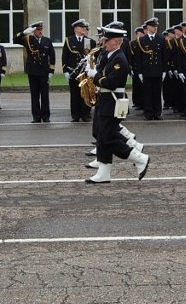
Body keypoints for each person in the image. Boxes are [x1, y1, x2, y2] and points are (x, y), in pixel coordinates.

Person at [84, 25, 150, 184]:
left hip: (113, 101)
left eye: (106, 40)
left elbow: (112, 83)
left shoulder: (119, 58)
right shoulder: (110, 55)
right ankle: (104, 172)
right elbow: (102, 70)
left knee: (108, 137)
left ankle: (140, 158)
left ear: (115, 41)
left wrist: (95, 75)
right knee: (102, 137)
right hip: (105, 100)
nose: (103, 42)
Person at [17, 20, 56, 122]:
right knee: (34, 95)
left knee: (44, 95)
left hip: (44, 71)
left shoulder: (47, 41)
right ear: (33, 31)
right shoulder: (28, 39)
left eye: (41, 29)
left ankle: (46, 116)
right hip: (33, 71)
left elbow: (52, 56)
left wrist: (51, 71)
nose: (40, 31)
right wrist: (24, 32)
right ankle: (36, 116)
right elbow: (15, 39)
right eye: (37, 30)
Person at [63, 18, 95, 122]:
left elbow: (93, 57)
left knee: (85, 93)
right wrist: (65, 71)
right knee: (75, 94)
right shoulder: (69, 40)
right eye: (82, 27)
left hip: (85, 72)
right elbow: (65, 56)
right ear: (76, 29)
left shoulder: (89, 41)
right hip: (74, 72)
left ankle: (85, 114)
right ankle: (75, 115)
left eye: (84, 27)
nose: (84, 29)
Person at [136, 17, 166, 120]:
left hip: (157, 70)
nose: (155, 28)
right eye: (153, 26)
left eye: (156, 26)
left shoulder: (161, 39)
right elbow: (139, 57)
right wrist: (139, 72)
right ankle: (148, 113)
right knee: (147, 93)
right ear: (148, 27)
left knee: (157, 93)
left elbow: (164, 56)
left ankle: (157, 113)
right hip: (146, 70)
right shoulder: (142, 40)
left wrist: (164, 70)